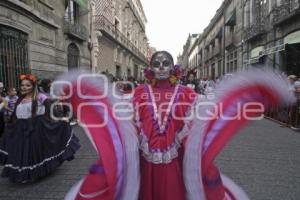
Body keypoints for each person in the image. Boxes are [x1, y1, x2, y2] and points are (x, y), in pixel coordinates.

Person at [62, 51, 293, 200]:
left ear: (173, 67)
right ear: (151, 67)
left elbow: (201, 119)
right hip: (145, 160)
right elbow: (124, 119)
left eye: (166, 63)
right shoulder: (139, 93)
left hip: (175, 161)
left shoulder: (187, 94)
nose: (161, 67)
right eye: (157, 63)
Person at [0, 74, 80, 183]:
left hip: (37, 128)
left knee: (35, 151)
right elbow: (15, 116)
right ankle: (24, 174)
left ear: (33, 86)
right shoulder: (19, 99)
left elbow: (51, 110)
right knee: (23, 152)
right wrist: (10, 127)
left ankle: (36, 173)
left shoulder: (40, 97)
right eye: (22, 85)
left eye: (27, 85)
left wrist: (60, 119)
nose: (24, 87)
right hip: (22, 130)